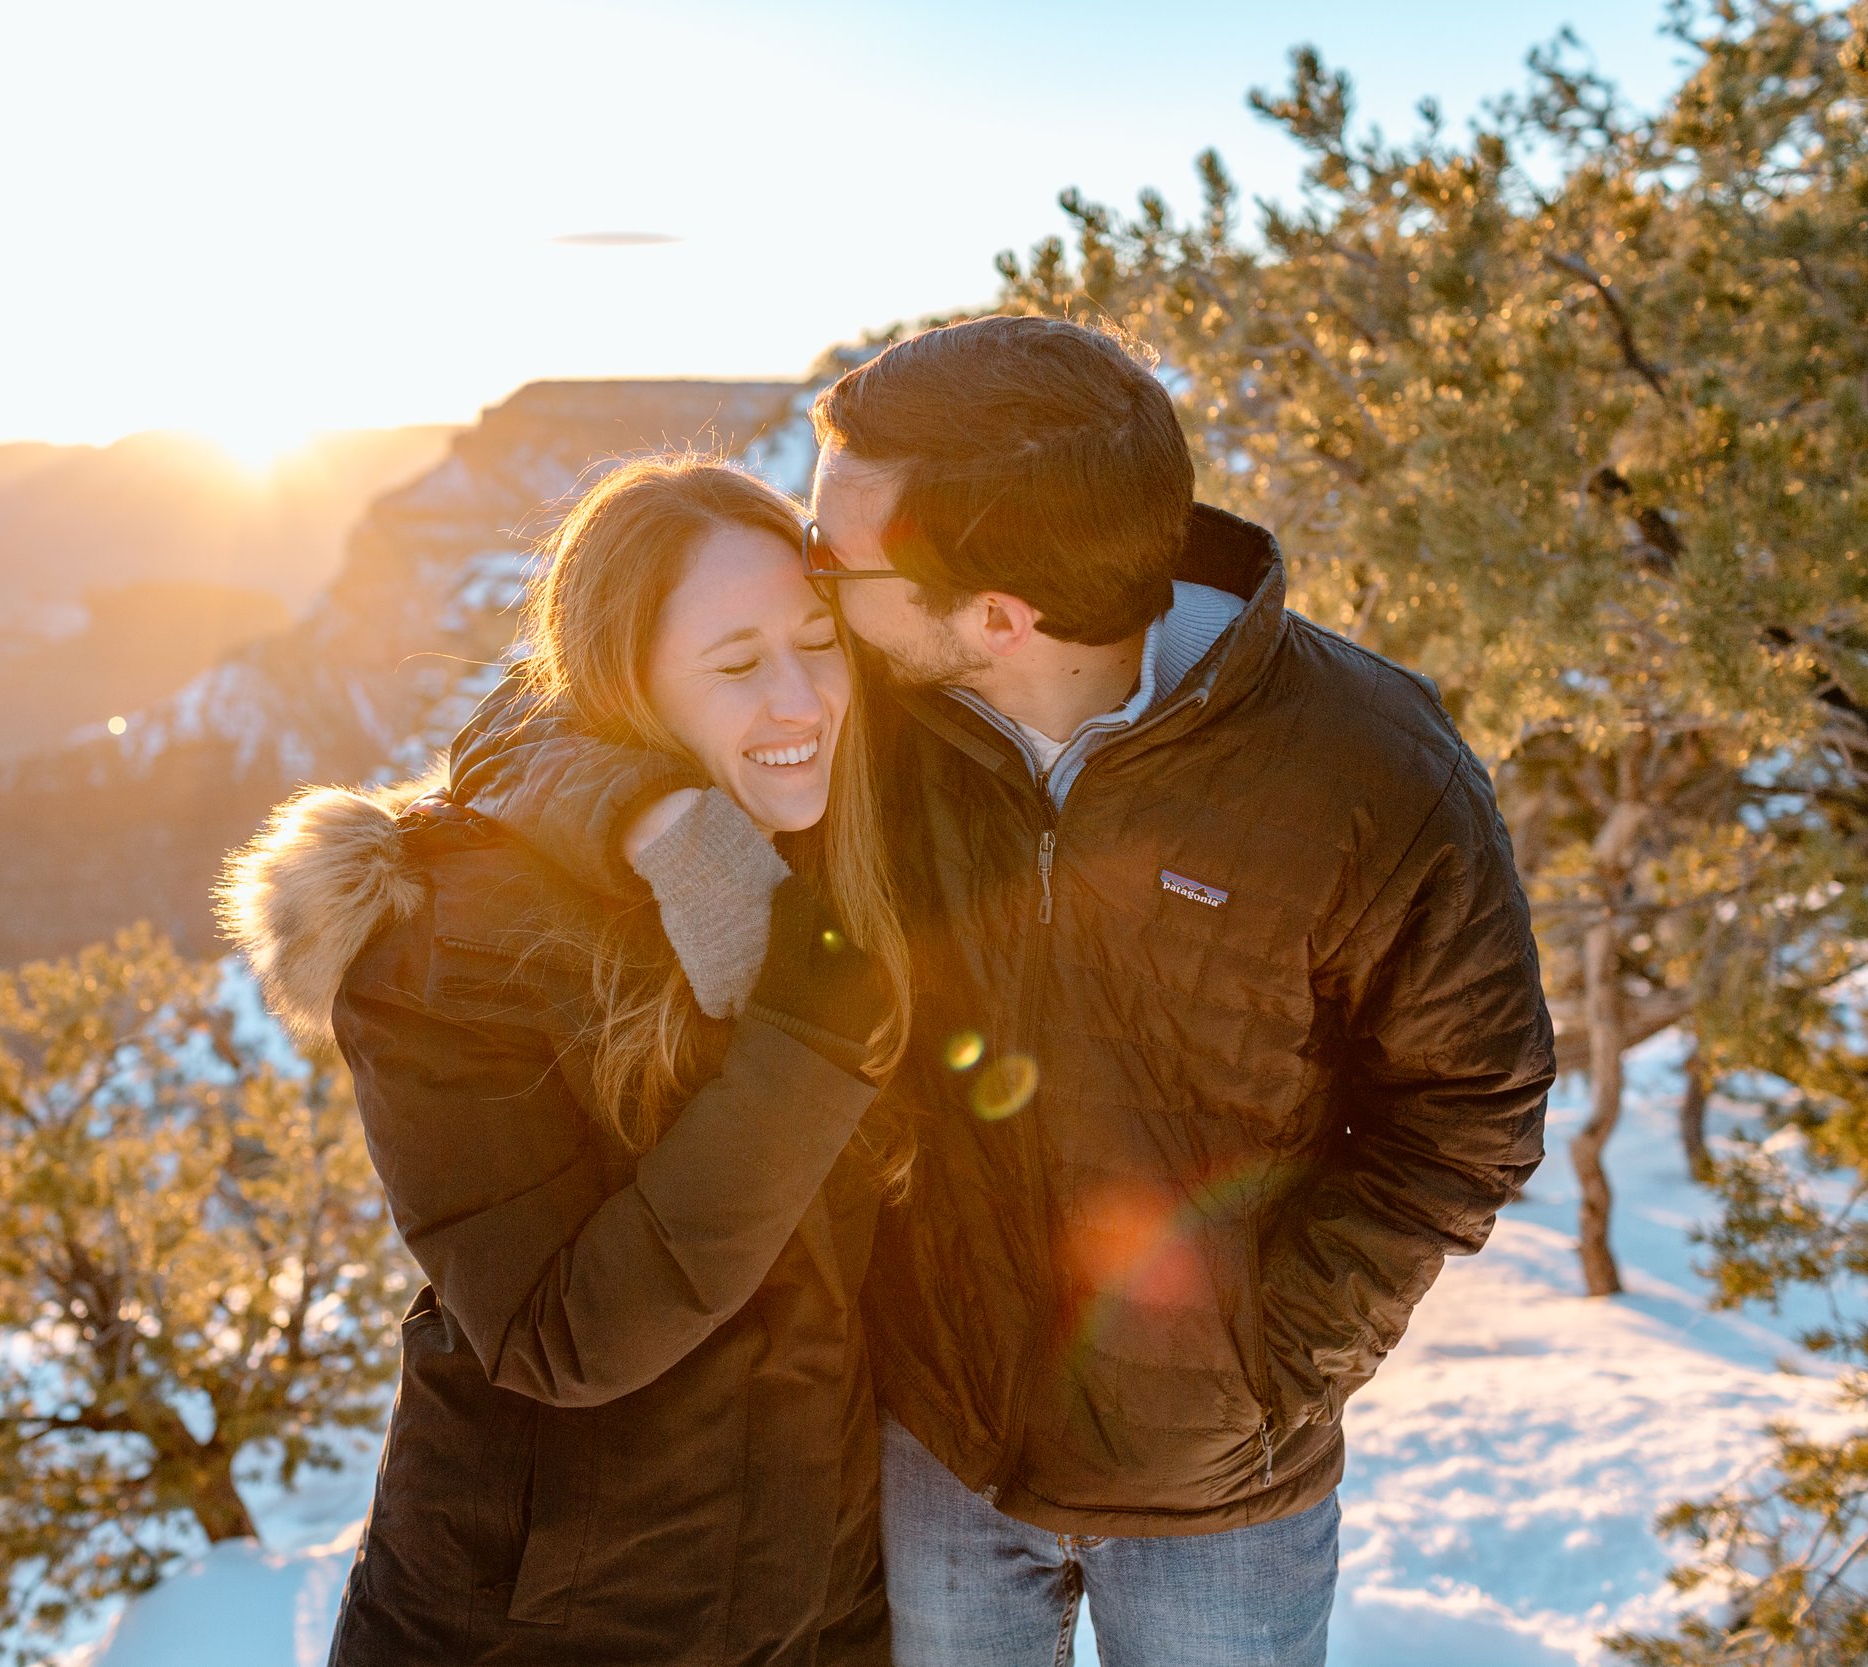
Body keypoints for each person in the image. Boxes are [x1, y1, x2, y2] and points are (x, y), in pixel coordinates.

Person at [447, 315, 1557, 1667]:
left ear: (996, 614)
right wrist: (656, 816)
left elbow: (1471, 1106)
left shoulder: (1370, 766)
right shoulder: (867, 704)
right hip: (937, 1448)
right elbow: (532, 713)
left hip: (1223, 1492)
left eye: (832, 555)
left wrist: (1277, 1356)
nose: (808, 577)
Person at [219, 455, 916, 1666]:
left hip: (811, 1599)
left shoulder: (809, 862)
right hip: (538, 1624)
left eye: (821, 641)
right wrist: (807, 1042)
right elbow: (553, 1334)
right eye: (739, 664)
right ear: (624, 681)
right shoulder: (443, 936)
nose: (803, 699)